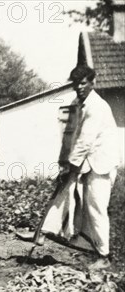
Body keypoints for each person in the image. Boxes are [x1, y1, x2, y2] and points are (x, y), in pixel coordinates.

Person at [37, 65, 120, 271]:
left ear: (92, 83)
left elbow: (85, 141)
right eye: (76, 84)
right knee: (74, 200)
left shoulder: (97, 107)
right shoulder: (77, 103)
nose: (79, 87)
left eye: (83, 83)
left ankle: (104, 256)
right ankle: (49, 233)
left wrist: (71, 166)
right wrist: (64, 163)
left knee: (96, 208)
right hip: (86, 161)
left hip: (101, 162)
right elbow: (70, 134)